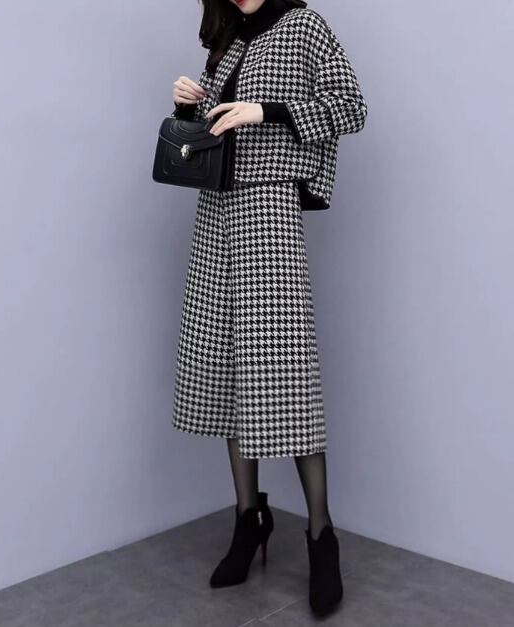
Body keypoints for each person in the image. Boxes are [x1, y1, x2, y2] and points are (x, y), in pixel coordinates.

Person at [170, 0, 367, 617]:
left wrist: (266, 109)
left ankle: (320, 535)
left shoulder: (305, 26)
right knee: (230, 369)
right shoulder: (228, 41)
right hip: (216, 212)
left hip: (269, 213)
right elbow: (211, 131)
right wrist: (188, 106)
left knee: (286, 375)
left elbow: (351, 107)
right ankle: (248, 519)